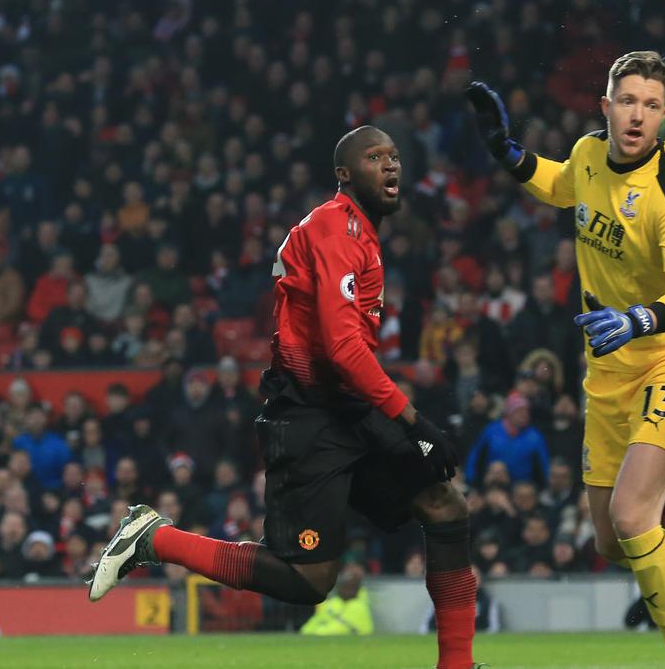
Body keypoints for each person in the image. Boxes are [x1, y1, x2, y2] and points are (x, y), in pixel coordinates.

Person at [87, 126, 480, 669]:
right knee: (307, 581)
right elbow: (343, 348)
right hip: (309, 416)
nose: (391, 166)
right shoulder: (333, 228)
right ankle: (156, 539)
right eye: (374, 157)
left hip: (348, 409)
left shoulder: (357, 232)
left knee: (444, 504)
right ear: (344, 174)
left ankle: (456, 666)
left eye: (394, 157)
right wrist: (415, 422)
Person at [468, 51, 665, 669]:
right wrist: (507, 152)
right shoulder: (587, 154)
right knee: (613, 540)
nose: (639, 116)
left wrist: (637, 318)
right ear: (605, 107)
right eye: (629, 101)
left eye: (653, 106)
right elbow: (560, 184)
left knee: (635, 516)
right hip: (609, 365)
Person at [300, 562, 374, 636]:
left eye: (352, 587)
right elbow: (313, 623)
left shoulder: (359, 606)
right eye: (345, 586)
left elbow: (338, 629)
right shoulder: (332, 603)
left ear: (358, 587)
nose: (348, 590)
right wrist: (306, 632)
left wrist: (314, 633)